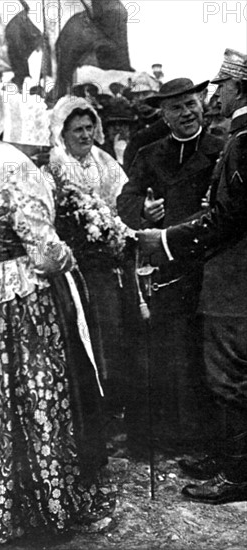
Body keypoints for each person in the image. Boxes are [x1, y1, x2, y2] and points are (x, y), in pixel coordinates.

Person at [0, 90, 109, 544]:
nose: (47, 151)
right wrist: (68, 256)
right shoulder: (21, 170)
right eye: (44, 142)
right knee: (37, 392)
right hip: (21, 295)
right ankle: (45, 501)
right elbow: (43, 249)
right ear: (30, 135)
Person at [137, 48, 247, 503]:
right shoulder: (239, 136)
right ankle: (229, 459)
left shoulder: (241, 139)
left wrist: (164, 240)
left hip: (234, 282)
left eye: (219, 86)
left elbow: (226, 216)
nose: (212, 96)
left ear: (237, 87)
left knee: (228, 379)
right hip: (228, 277)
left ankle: (238, 475)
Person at [117, 78, 224, 454]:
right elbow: (125, 201)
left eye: (191, 104)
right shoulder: (150, 154)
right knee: (166, 352)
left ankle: (202, 438)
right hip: (165, 269)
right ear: (164, 114)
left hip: (208, 265)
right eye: (176, 108)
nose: (187, 113)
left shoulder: (221, 150)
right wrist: (142, 211)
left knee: (200, 354)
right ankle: (167, 435)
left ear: (202, 106)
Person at [48, 96, 131, 413]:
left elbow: (122, 199)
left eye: (88, 128)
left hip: (102, 258)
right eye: (76, 130)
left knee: (108, 327)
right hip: (69, 261)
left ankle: (111, 400)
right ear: (62, 132)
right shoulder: (54, 163)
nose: (84, 135)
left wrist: (113, 228)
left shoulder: (105, 161)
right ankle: (85, 404)